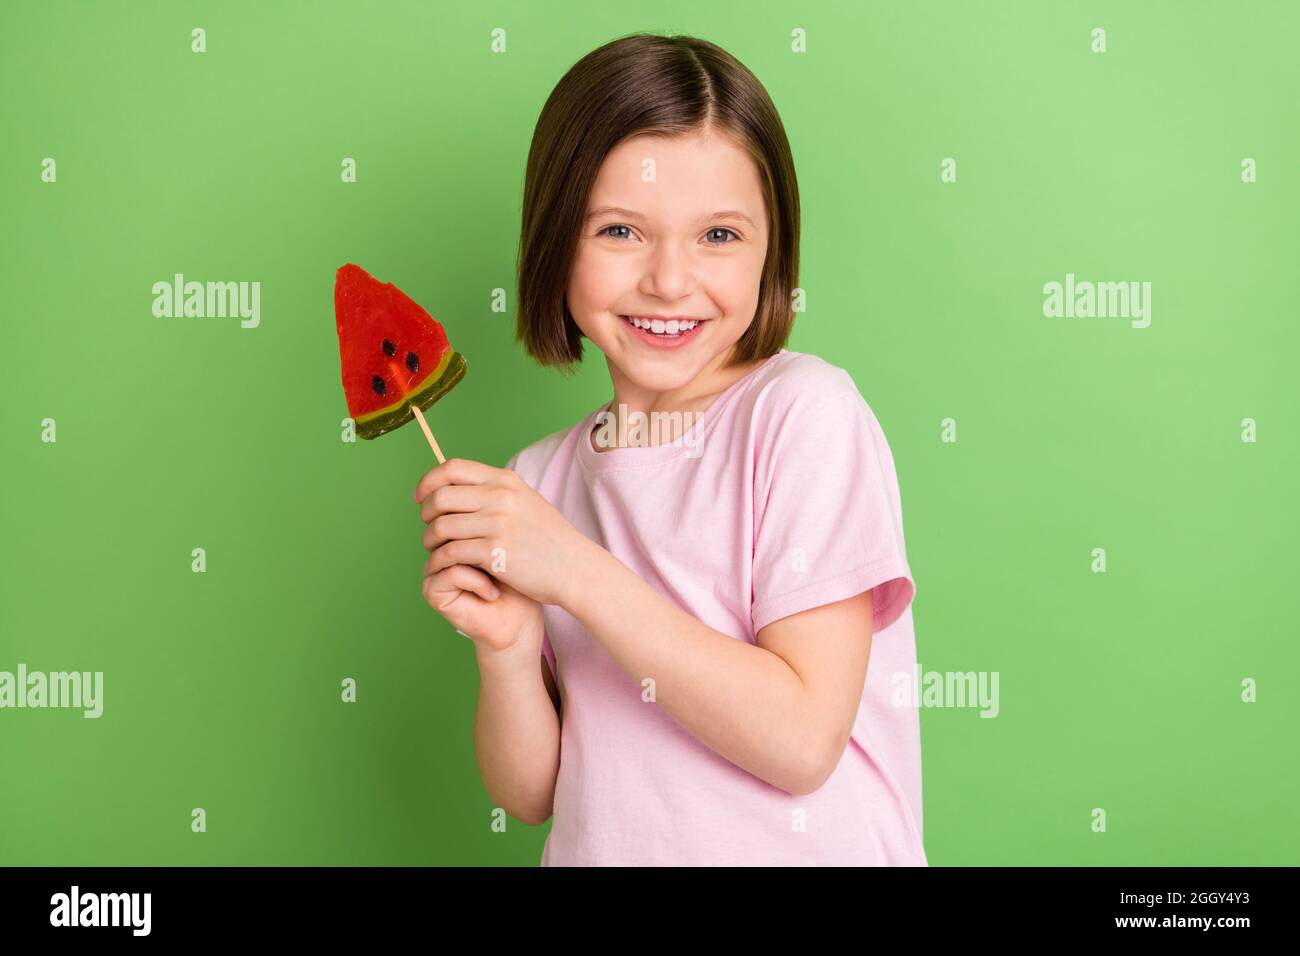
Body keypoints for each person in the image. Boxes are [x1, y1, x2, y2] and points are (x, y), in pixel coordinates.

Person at [412, 32, 925, 866]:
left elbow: (800, 742)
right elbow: (530, 793)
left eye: (719, 236)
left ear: (772, 250)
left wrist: (574, 569)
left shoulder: (801, 417)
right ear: (554, 242)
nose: (669, 281)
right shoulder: (537, 480)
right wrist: (506, 652)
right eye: (620, 231)